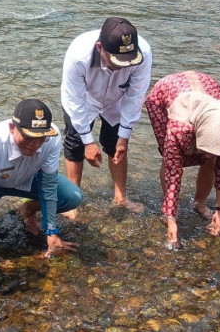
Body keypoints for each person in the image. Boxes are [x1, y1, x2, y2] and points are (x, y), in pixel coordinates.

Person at [0, 99, 82, 285]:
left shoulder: (52, 138)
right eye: (27, 137)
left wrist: (52, 230)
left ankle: (28, 210)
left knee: (72, 197)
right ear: (12, 128)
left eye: (40, 138)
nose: (35, 145)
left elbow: (49, 185)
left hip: (30, 178)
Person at [61, 17, 153, 215]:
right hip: (84, 98)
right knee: (75, 144)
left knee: (116, 145)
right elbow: (75, 101)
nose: (123, 66)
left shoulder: (143, 53)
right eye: (117, 61)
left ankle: (121, 198)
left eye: (128, 61)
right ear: (100, 47)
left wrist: (124, 137)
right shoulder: (78, 55)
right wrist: (88, 141)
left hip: (118, 98)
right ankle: (72, 201)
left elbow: (135, 96)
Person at [144, 71, 220, 249]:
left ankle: (200, 203)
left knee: (211, 160)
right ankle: (168, 209)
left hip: (209, 99)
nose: (208, 155)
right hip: (166, 96)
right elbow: (173, 171)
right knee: (170, 158)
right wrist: (171, 219)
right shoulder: (179, 129)